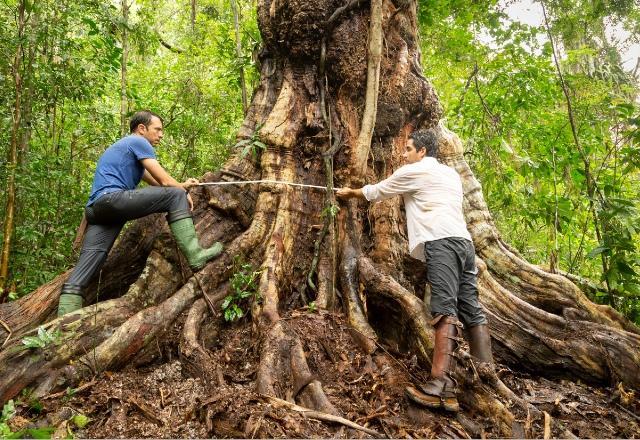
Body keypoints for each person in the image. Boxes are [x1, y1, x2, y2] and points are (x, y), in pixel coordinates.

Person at [336, 129, 493, 412]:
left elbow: (379, 191)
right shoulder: (450, 175)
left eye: (408, 149)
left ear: (422, 152)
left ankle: (439, 385)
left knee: (444, 309)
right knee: (471, 308)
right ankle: (486, 377)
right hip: (464, 244)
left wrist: (351, 193)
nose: (403, 153)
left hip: (441, 242)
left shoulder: (416, 171)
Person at [57, 110, 223, 317]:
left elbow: (156, 182)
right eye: (158, 129)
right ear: (142, 129)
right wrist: (179, 191)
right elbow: (166, 183)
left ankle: (61, 326)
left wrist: (182, 187)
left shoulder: (127, 150)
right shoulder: (138, 141)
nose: (161, 135)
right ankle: (196, 254)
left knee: (86, 268)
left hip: (97, 210)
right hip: (112, 200)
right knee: (174, 195)